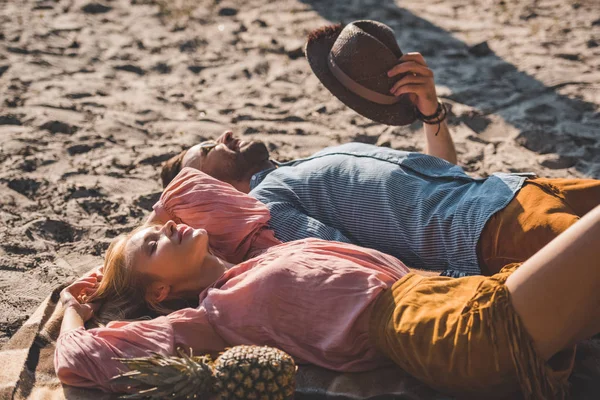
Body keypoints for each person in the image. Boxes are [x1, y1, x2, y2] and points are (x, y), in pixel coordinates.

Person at [54, 165, 600, 399]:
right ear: (157, 293)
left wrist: (144, 240)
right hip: (442, 330)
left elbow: (197, 194)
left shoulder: (259, 251)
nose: (165, 227)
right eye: (152, 244)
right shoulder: (211, 317)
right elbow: (82, 358)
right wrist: (81, 296)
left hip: (454, 298)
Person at [160, 21, 600, 277]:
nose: (226, 135)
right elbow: (352, 260)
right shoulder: (266, 204)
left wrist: (431, 111)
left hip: (514, 190)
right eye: (207, 147)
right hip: (487, 234)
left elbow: (443, 173)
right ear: (203, 187)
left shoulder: (297, 168)